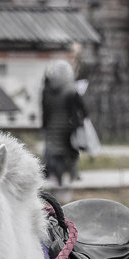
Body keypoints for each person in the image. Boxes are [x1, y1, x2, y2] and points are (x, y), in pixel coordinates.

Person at [40, 59, 87, 187]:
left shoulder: (47, 91)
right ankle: (71, 180)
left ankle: (57, 180)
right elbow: (83, 110)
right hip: (68, 129)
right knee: (70, 154)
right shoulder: (71, 90)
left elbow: (44, 111)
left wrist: (45, 126)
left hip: (51, 129)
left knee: (54, 154)